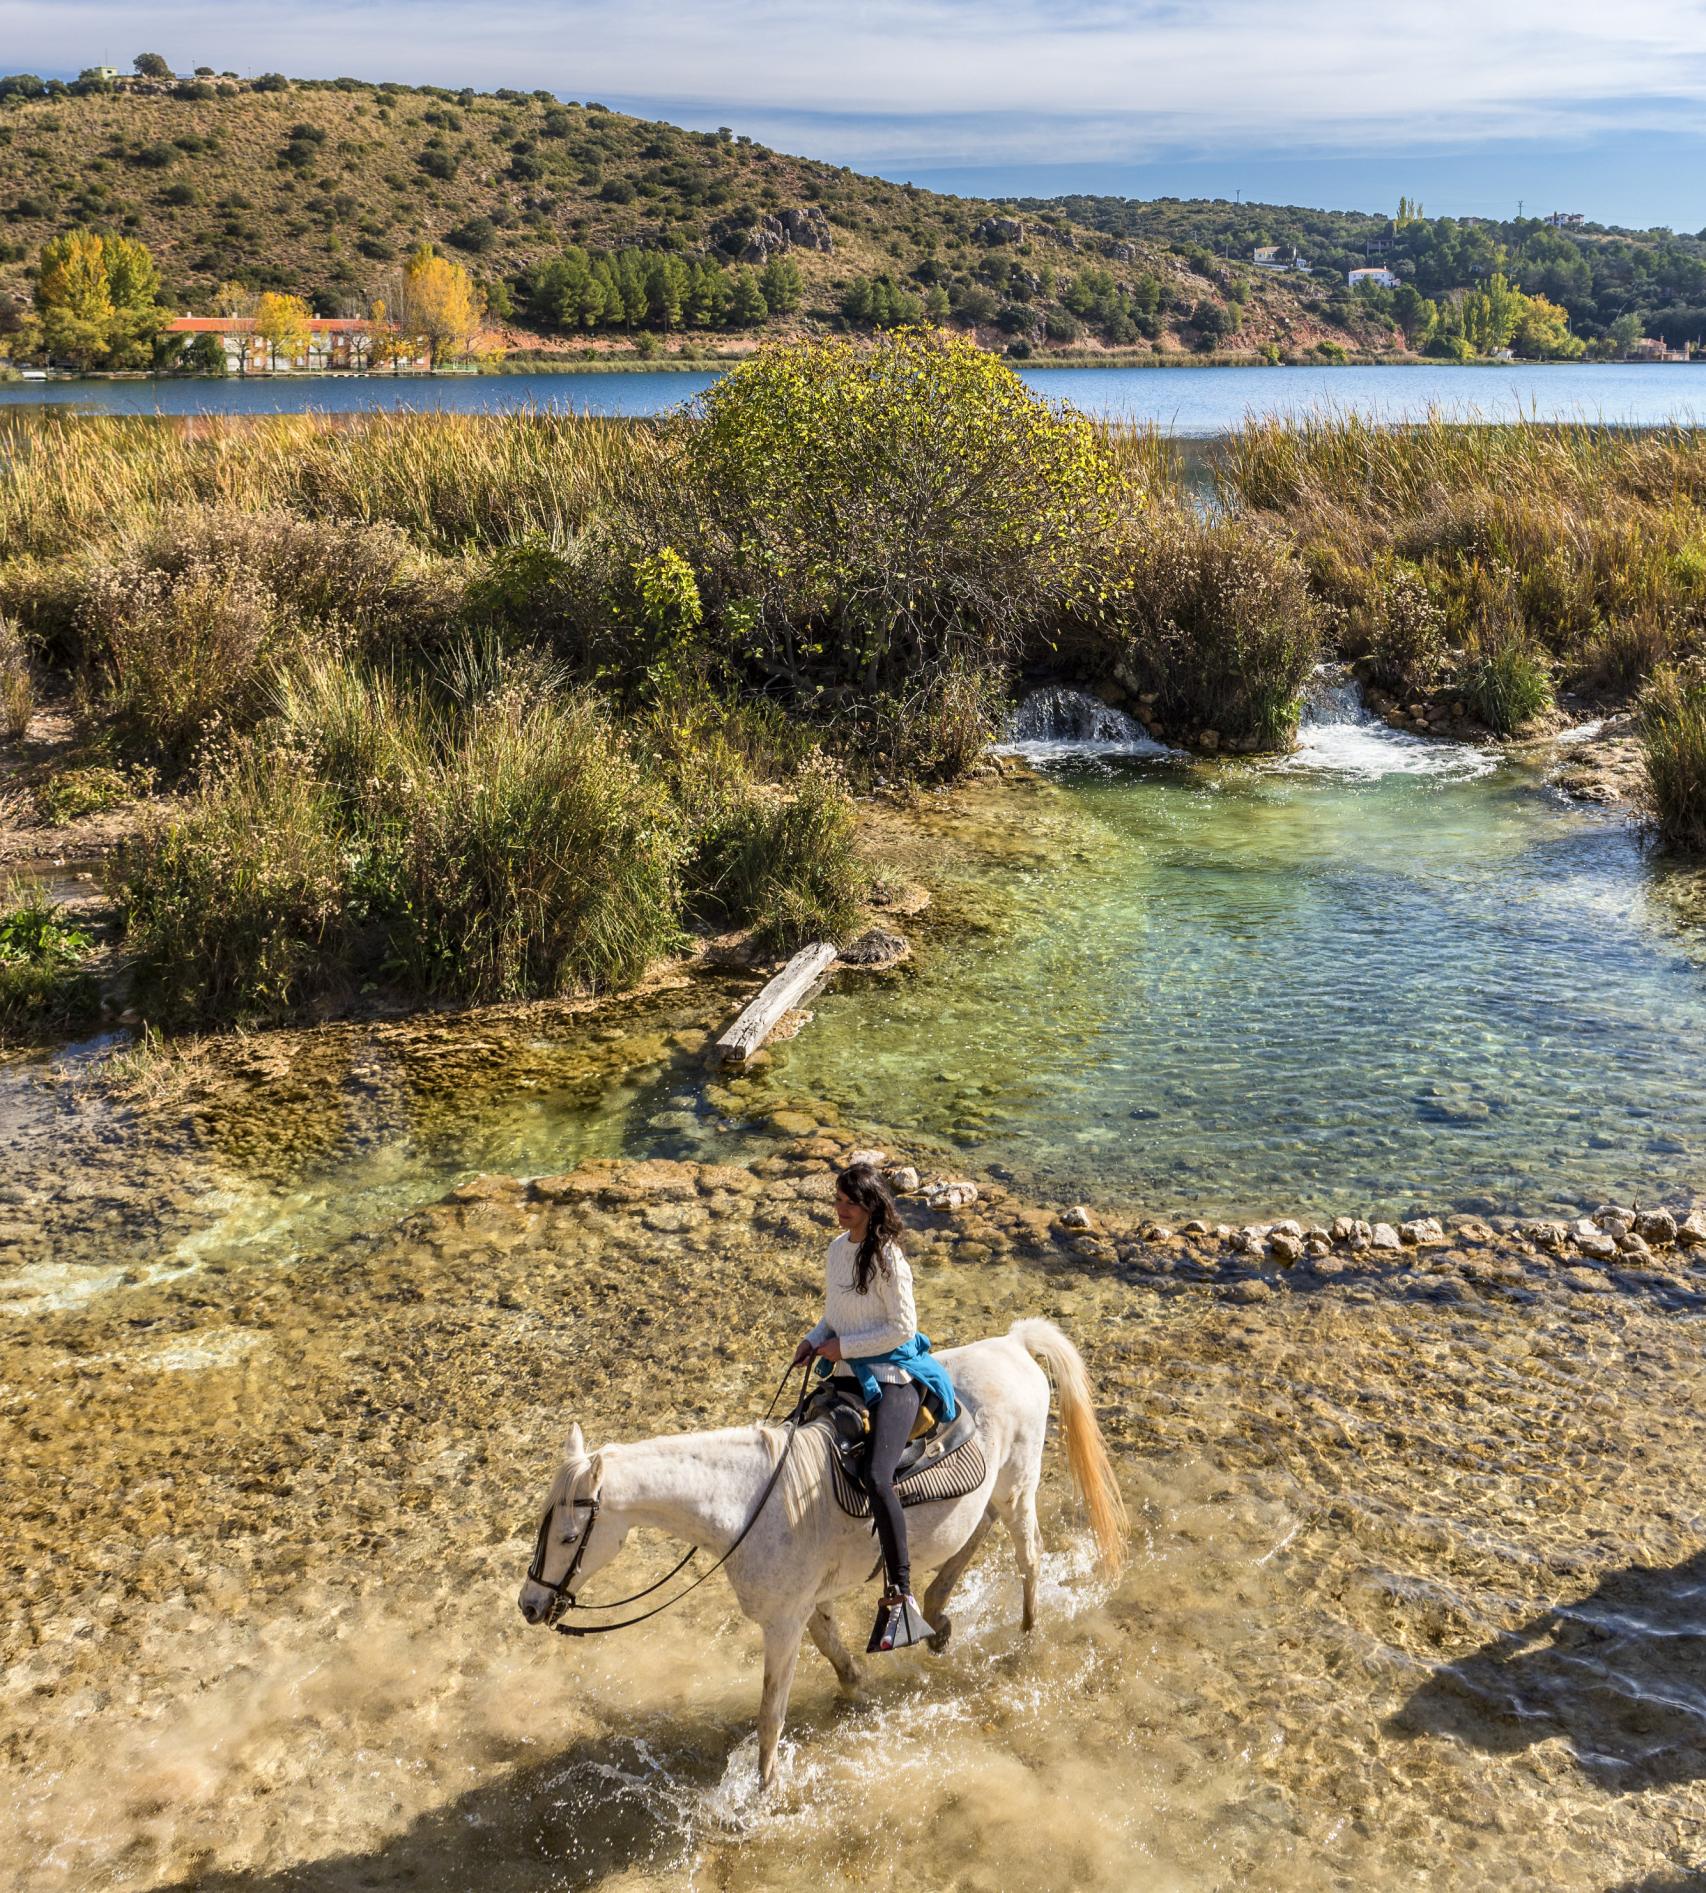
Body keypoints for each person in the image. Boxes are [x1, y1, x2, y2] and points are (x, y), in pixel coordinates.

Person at [792, 1161, 958, 1653]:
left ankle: (900, 1591)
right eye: (837, 1200)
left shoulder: (890, 1259)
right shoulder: (836, 1250)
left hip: (893, 1375)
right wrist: (814, 1339)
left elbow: (902, 1330)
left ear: (870, 1206)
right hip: (847, 1372)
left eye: (849, 1202)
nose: (840, 1210)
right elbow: (836, 1315)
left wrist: (843, 1348)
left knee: (878, 1475)